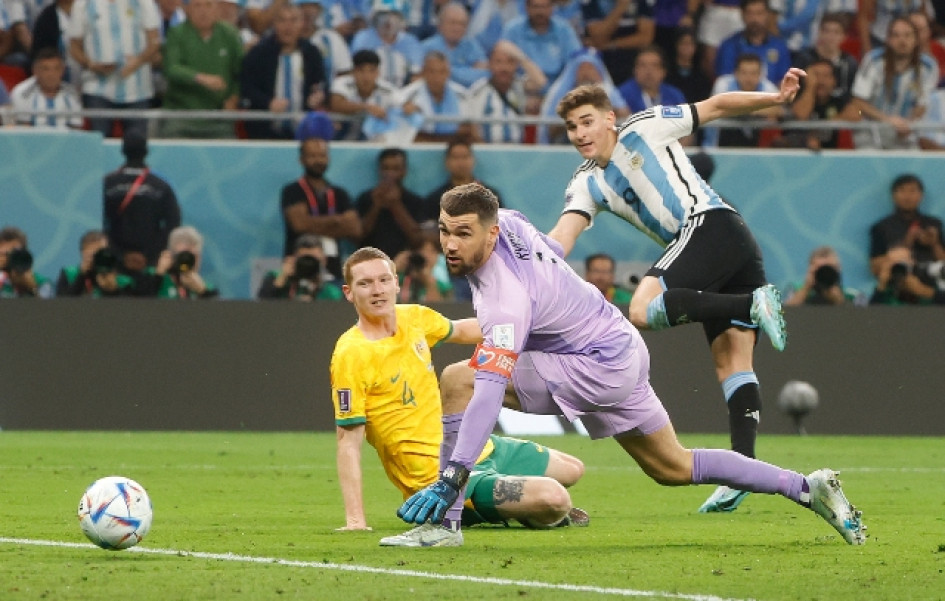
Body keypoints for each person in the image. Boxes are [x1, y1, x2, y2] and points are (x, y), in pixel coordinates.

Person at [390, 183, 866, 548]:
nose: (450, 244)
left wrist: (453, 475)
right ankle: (806, 487)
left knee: (459, 379)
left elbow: (488, 388)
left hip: (593, 364)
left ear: (492, 232)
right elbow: (552, 251)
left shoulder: (505, 300)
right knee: (673, 466)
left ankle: (445, 521)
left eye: (463, 233)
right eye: (444, 231)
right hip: (620, 344)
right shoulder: (510, 221)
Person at [545, 71, 805, 515]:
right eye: (572, 127)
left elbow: (717, 105)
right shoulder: (586, 182)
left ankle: (751, 304)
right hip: (724, 248)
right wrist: (532, 258)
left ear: (609, 119)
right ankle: (739, 472)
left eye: (587, 122)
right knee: (732, 362)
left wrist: (776, 99)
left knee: (641, 308)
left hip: (710, 224)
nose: (580, 134)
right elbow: (562, 235)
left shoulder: (645, 126)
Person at [330, 246, 588, 540]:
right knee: (554, 500)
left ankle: (517, 506)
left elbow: (462, 330)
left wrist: (526, 326)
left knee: (573, 470)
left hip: (473, 447)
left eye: (383, 280)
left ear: (396, 283)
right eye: (365, 284)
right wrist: (355, 520)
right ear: (349, 292)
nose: (377, 290)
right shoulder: (351, 354)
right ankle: (507, 509)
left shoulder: (413, 318)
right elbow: (348, 441)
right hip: (435, 476)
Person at [67, 0, 161, 137]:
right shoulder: (83, 4)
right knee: (100, 143)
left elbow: (154, 41)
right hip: (97, 89)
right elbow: (74, 47)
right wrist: (90, 64)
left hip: (137, 89)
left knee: (137, 145)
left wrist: (138, 61)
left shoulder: (144, 3)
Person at [240, 2, 327, 139]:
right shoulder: (259, 53)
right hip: (263, 131)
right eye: (282, 20)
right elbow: (247, 87)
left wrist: (319, 94)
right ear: (274, 24)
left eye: (293, 20)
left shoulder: (311, 53)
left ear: (301, 24)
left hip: (303, 131)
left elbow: (321, 83)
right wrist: (268, 103)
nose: (288, 27)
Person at [850, 16, 937, 150]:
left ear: (916, 40)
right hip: (871, 132)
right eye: (896, 35)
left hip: (905, 134)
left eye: (908, 35)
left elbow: (922, 105)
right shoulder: (873, 61)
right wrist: (888, 120)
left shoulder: (928, 67)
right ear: (888, 40)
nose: (902, 41)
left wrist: (908, 123)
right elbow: (859, 103)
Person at [160, 0, 244, 139]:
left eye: (208, 5)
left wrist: (234, 97)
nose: (203, 11)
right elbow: (171, 68)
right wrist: (200, 78)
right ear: (187, 10)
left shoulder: (230, 34)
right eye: (197, 5)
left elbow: (241, 72)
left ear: (217, 8)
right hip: (181, 117)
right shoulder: (176, 33)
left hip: (218, 118)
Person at [280, 135, 360, 281]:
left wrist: (311, 222)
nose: (318, 160)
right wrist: (336, 221)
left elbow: (354, 229)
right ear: (301, 159)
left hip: (333, 267)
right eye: (312, 156)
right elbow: (299, 224)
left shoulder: (339, 193)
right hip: (298, 268)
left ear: (328, 158)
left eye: (322, 155)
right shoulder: (292, 191)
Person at [103, 131, 181, 271]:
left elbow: (97, 221)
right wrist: (150, 254)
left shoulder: (107, 183)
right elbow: (173, 222)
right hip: (150, 262)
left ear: (122, 151)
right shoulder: (161, 185)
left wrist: (118, 253)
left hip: (113, 262)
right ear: (146, 151)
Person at [355, 147, 430, 260]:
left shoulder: (415, 201)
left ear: (404, 171)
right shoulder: (365, 198)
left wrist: (396, 205)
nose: (390, 174)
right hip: (370, 261)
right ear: (379, 170)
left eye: (396, 169)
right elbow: (359, 236)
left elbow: (417, 240)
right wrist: (376, 206)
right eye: (386, 168)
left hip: (405, 263)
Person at [465, 40, 545, 144]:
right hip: (489, 150)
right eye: (498, 62)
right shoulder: (478, 91)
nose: (504, 68)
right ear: (490, 64)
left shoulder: (520, 86)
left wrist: (520, 56)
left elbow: (541, 82)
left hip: (518, 152)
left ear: (516, 65)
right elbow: (472, 129)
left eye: (510, 62)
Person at [869, 173, 945, 279]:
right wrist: (908, 240)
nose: (907, 196)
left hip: (933, 282)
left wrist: (934, 244)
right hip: (899, 282)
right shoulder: (881, 227)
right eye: (902, 191)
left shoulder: (934, 224)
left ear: (921, 195)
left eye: (912, 191)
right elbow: (875, 269)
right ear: (893, 195)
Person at [702, 52, 782, 147]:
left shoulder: (768, 87)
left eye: (753, 73)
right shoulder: (723, 83)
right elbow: (724, 108)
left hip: (753, 141)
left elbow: (778, 110)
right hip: (719, 141)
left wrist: (745, 109)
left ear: (760, 74)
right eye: (744, 73)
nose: (748, 78)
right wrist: (759, 108)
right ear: (736, 73)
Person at [780, 57, 859, 150]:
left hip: (831, 154)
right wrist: (810, 87)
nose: (821, 81)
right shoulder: (796, 97)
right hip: (796, 152)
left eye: (826, 76)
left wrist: (825, 127)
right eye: (816, 75)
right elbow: (801, 115)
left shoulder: (839, 100)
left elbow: (856, 114)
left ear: (834, 80)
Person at [500, 0, 582, 85]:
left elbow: (575, 61)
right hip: (522, 86)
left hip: (558, 86)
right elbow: (502, 57)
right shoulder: (513, 29)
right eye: (536, 7)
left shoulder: (564, 30)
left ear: (552, 8)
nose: (540, 12)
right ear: (527, 8)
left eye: (544, 7)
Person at [398, 50, 472, 142]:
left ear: (449, 73)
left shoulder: (463, 95)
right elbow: (408, 135)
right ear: (423, 72)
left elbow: (467, 130)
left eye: (442, 72)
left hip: (453, 148)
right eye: (432, 72)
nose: (437, 77)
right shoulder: (406, 96)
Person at [329, 48, 400, 140]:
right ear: (353, 72)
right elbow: (336, 104)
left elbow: (402, 104)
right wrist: (366, 107)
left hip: (375, 136)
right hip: (342, 131)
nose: (366, 76)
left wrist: (408, 106)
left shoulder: (388, 89)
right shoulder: (341, 83)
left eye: (371, 71)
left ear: (378, 73)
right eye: (361, 70)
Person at [715, 0, 791, 85]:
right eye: (750, 13)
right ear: (742, 14)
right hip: (736, 96)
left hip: (771, 96)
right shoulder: (729, 46)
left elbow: (783, 82)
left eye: (759, 13)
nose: (754, 19)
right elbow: (724, 82)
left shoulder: (779, 47)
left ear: (768, 15)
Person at [581, 0, 656, 86]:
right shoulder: (591, 2)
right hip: (602, 63)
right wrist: (621, 7)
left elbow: (645, 38)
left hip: (632, 62)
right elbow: (598, 37)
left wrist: (611, 45)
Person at [349, 0, 423, 86]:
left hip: (403, 92)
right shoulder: (362, 39)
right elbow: (356, 71)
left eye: (394, 14)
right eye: (383, 14)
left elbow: (417, 74)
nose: (388, 20)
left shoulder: (410, 42)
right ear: (375, 16)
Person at [419, 1, 489, 88]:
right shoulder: (426, 48)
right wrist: (468, 71)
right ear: (440, 25)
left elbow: (485, 75)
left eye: (462, 24)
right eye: (453, 23)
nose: (457, 28)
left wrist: (447, 71)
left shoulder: (472, 46)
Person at [10, 47, 83, 129]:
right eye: (45, 69)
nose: (51, 74)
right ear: (35, 71)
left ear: (62, 70)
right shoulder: (22, 93)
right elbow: (23, 127)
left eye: (56, 68)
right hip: (32, 139)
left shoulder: (72, 93)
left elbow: (76, 127)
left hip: (64, 140)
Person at [792, 12, 859, 99]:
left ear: (844, 36)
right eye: (826, 31)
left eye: (836, 32)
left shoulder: (850, 63)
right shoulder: (804, 58)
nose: (831, 36)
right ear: (820, 32)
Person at [257, 233, 343, 300]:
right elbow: (261, 306)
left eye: (313, 260)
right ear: (294, 259)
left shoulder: (333, 291)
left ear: (324, 261)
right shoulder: (275, 278)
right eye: (305, 259)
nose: (309, 264)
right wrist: (282, 278)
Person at [55, 230, 136, 297]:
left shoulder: (124, 282)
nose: (100, 258)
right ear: (83, 254)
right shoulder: (69, 274)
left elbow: (129, 311)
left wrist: (112, 291)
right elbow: (62, 306)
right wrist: (81, 277)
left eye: (103, 252)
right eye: (94, 254)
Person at [783, 245, 866, 306]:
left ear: (839, 269)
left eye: (830, 268)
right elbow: (783, 317)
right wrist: (806, 289)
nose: (825, 273)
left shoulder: (853, 296)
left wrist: (839, 301)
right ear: (811, 269)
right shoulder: (795, 289)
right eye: (820, 269)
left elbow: (862, 322)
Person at [153, 225, 219, 299]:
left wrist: (204, 293)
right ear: (171, 256)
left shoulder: (207, 288)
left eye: (194, 256)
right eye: (184, 255)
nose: (188, 261)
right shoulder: (153, 276)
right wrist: (157, 277)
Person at [617, 45, 687, 114]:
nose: (649, 71)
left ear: (663, 71)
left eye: (654, 65)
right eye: (643, 65)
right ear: (635, 70)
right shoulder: (621, 94)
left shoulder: (674, 95)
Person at [298, 0, 353, 87]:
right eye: (303, 6)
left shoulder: (332, 38)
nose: (307, 11)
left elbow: (345, 72)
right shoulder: (286, 39)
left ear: (319, 10)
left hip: (327, 97)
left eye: (312, 6)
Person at [0, 226, 53, 299]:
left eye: (14, 254)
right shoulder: (1, 280)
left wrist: (32, 289)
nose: (10, 259)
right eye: (5, 254)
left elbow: (49, 309)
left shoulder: (42, 283)